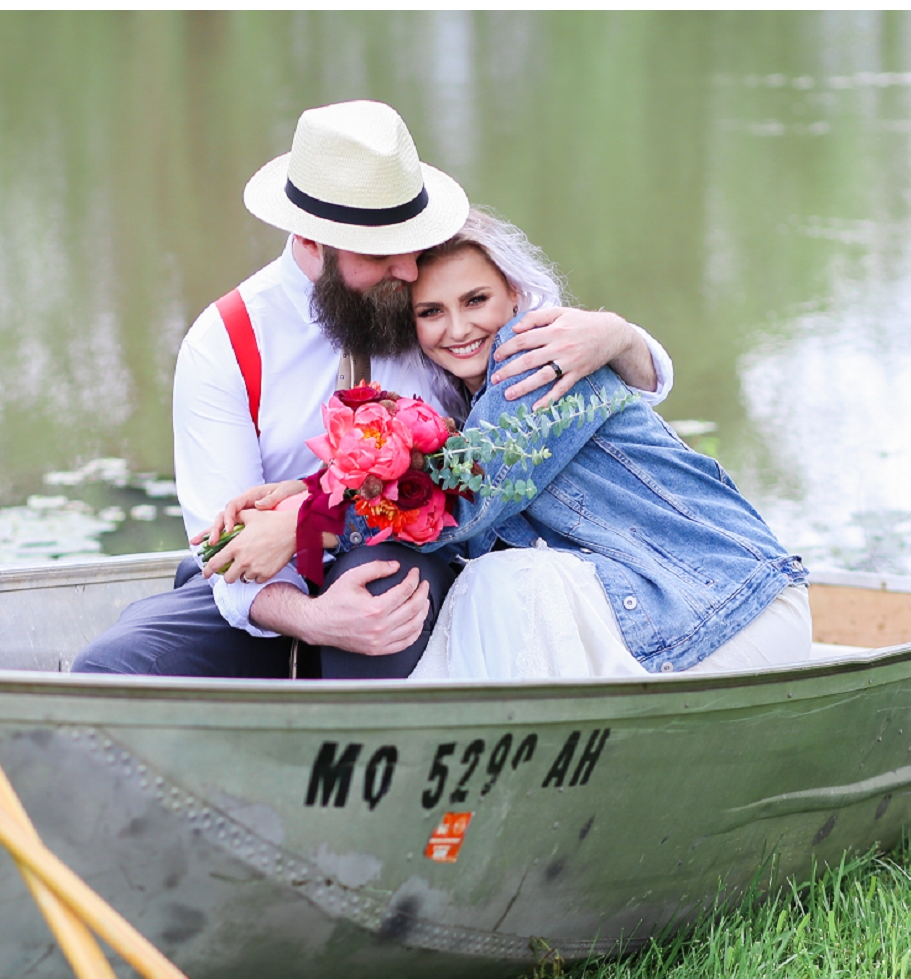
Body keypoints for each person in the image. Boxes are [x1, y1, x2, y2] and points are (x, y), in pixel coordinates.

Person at [70, 100, 678, 678]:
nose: (409, 270)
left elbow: (584, 384)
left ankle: (361, 772)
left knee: (381, 598)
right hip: (272, 590)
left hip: (416, 565)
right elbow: (225, 549)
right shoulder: (224, 342)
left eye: (409, 243)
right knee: (115, 666)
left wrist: (620, 337)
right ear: (311, 242)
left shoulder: (441, 301)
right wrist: (310, 617)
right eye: (382, 252)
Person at [217, 209, 812, 679]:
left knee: (505, 588)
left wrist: (305, 524)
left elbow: (462, 500)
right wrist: (308, 489)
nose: (457, 328)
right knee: (501, 587)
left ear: (513, 294)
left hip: (730, 605)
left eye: (475, 301)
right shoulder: (473, 406)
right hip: (673, 609)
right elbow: (451, 471)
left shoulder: (541, 359)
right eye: (431, 311)